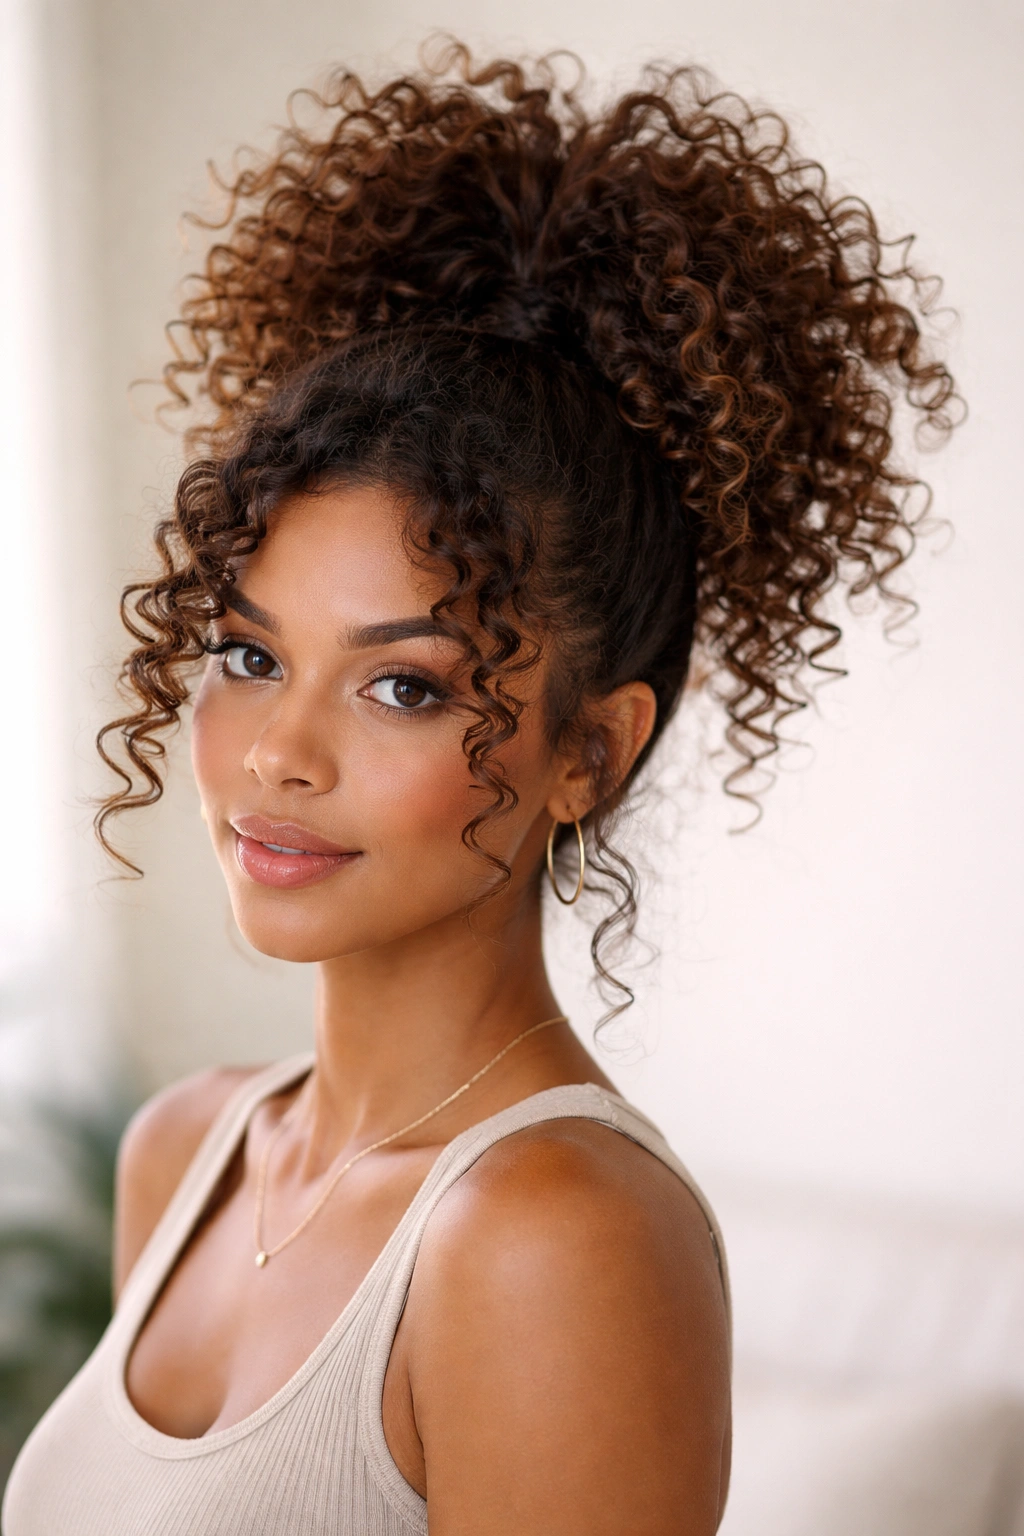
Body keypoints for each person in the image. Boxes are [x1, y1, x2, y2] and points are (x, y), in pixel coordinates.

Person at [3, 45, 956, 1536]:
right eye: (250, 655)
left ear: (592, 749)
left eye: (403, 685)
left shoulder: (555, 1237)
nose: (278, 753)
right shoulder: (184, 1154)